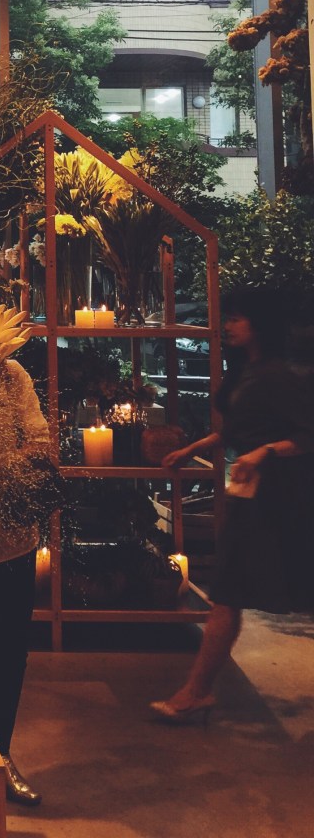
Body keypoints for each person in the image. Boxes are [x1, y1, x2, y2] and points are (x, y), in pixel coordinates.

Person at [150, 286, 314, 723]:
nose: (228, 325)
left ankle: (196, 691)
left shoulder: (279, 375)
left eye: (238, 318)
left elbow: (305, 436)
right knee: (228, 593)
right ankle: (197, 690)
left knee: (227, 593)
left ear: (260, 325)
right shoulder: (250, 370)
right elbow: (238, 430)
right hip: (249, 497)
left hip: (274, 500)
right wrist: (192, 449)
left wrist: (263, 452)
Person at [0, 357, 51, 806]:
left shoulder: (10, 373)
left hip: (12, 533)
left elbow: (39, 438)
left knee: (13, 645)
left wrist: (3, 465)